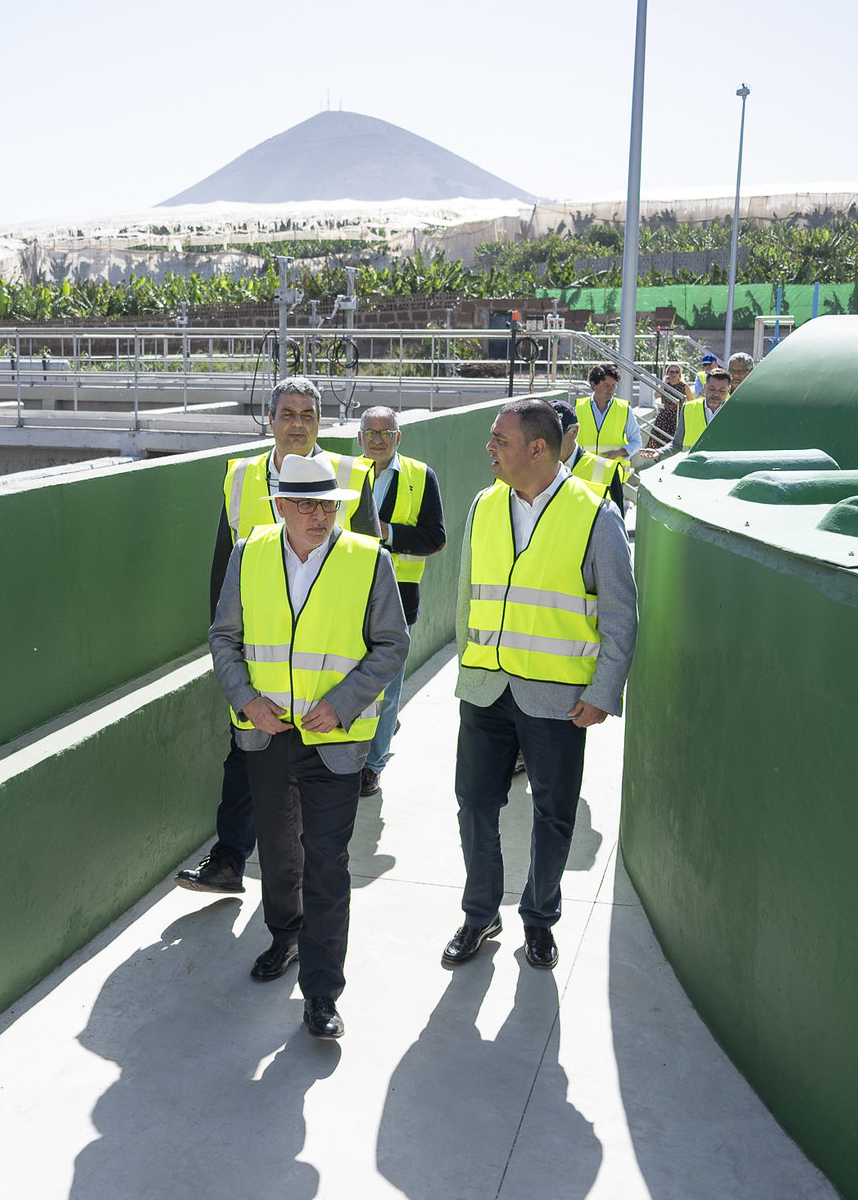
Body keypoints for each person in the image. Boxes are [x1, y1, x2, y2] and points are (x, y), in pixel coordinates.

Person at [210, 454, 408, 1039]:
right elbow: (225, 637)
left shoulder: (368, 559)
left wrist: (342, 703)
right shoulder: (249, 554)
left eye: (327, 504)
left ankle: (322, 993)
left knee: (327, 861)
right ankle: (284, 936)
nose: (319, 515)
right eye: (306, 505)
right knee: (275, 850)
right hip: (265, 733)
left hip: (336, 740)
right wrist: (246, 699)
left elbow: (391, 645)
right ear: (279, 507)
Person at [443, 399, 637, 973]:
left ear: (538, 449)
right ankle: (481, 914)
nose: (490, 448)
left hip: (557, 698)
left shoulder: (595, 516)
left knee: (553, 813)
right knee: (475, 803)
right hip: (485, 688)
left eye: (499, 439)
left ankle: (539, 919)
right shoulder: (484, 506)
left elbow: (621, 615)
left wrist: (603, 692)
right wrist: (467, 664)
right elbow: (466, 594)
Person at [179, 377, 375, 896]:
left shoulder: (349, 475)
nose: (297, 423)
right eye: (287, 413)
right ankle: (229, 859)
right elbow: (224, 568)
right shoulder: (241, 477)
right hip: (259, 659)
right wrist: (231, 658)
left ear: (319, 422)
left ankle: (301, 882)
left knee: (312, 777)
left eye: (308, 415)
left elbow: (371, 565)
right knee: (244, 758)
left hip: (325, 664)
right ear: (270, 420)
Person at [345, 406, 446, 799]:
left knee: (387, 686)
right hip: (350, 592)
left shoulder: (421, 476)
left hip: (398, 595)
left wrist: (385, 531)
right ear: (359, 438)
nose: (377, 439)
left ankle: (372, 765)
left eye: (386, 432)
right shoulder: (346, 472)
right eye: (370, 431)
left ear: (398, 438)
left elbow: (435, 538)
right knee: (351, 675)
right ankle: (351, 753)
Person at [571, 363, 641, 500]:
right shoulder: (578, 407)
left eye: (613, 385)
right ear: (593, 385)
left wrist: (618, 453)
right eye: (606, 385)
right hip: (584, 475)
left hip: (613, 476)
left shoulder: (624, 409)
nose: (611, 390)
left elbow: (637, 441)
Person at [675, 368, 732, 452]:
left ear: (728, 390)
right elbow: (676, 445)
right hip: (694, 464)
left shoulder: (735, 411)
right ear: (705, 387)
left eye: (722, 390)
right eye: (711, 389)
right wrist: (659, 453)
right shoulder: (688, 408)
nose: (716, 394)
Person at [648, 363, 690, 451]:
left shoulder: (684, 386)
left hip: (677, 414)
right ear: (668, 373)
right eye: (671, 372)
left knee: (675, 438)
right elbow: (656, 395)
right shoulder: (665, 385)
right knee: (659, 437)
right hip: (665, 414)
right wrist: (664, 383)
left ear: (680, 374)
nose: (674, 374)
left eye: (676, 372)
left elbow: (691, 401)